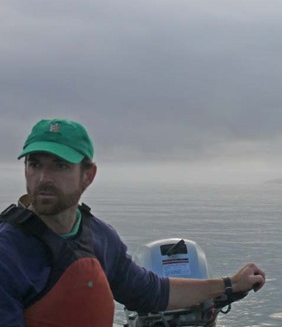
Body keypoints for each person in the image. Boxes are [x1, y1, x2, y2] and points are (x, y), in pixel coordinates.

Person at [0, 118, 265, 326]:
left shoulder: (98, 236)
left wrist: (229, 285)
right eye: (34, 164)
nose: (44, 177)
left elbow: (150, 291)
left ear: (88, 175)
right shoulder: (7, 252)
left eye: (60, 166)